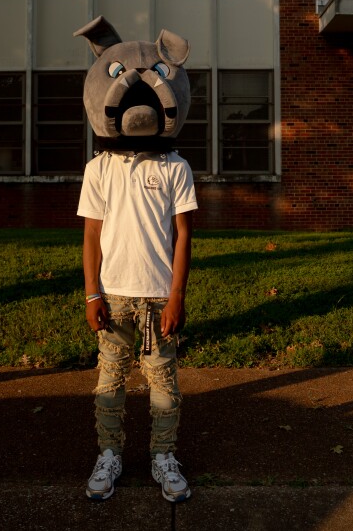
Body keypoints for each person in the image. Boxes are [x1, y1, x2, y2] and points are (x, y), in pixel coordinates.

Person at [78, 151, 197, 502]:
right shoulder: (99, 166)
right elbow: (91, 233)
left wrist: (176, 295)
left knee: (162, 379)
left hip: (158, 296)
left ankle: (163, 457)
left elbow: (184, 233)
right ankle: (109, 456)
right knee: (110, 377)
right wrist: (91, 294)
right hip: (113, 295)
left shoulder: (175, 165)